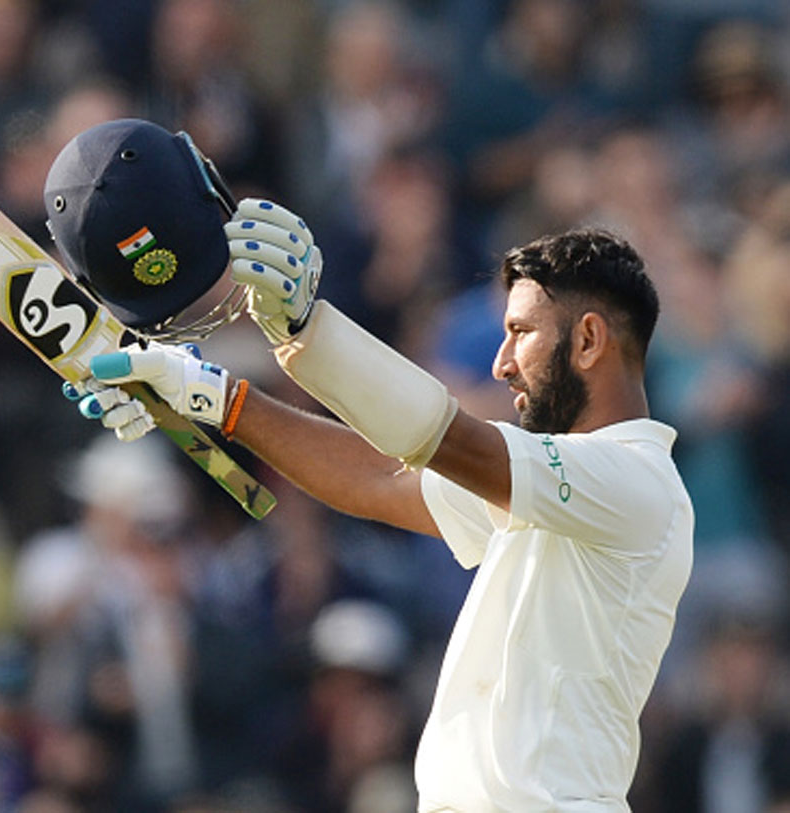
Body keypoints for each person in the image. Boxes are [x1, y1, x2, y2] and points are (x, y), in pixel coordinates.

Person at [44, 119, 694, 811]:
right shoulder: (556, 489)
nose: (502, 364)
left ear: (589, 339)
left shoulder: (635, 482)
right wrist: (213, 396)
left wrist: (305, 327)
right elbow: (381, 481)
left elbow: (439, 438)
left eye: (519, 333)